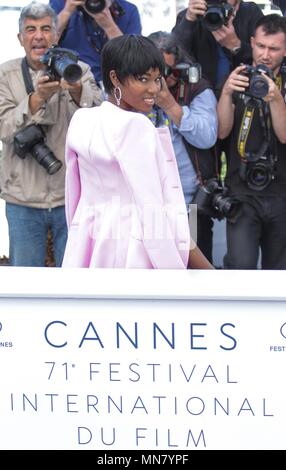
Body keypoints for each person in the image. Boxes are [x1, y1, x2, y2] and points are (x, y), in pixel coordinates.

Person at [62, 34, 213, 269]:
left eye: (157, 79)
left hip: (88, 245)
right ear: (115, 78)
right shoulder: (136, 126)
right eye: (143, 79)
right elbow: (154, 214)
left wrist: (78, 237)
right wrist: (192, 272)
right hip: (132, 250)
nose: (154, 89)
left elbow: (73, 196)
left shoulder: (82, 118)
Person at [0, 1, 103, 267]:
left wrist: (77, 90)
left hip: (72, 198)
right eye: (31, 29)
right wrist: (36, 100)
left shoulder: (78, 70)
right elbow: (3, 127)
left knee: (74, 284)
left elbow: (100, 119)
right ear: (20, 38)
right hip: (23, 198)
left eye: (46, 29)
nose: (39, 36)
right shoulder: (5, 75)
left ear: (56, 35)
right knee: (25, 284)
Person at [217, 14, 286, 269]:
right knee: (240, 268)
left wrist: (277, 98)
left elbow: (284, 136)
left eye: (274, 48)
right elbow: (222, 132)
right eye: (260, 46)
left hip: (281, 192)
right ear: (251, 42)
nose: (265, 55)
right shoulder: (238, 78)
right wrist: (226, 93)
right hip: (242, 190)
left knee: (279, 276)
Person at [148, 31, 218, 263]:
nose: (160, 80)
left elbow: (207, 137)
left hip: (190, 206)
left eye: (166, 71)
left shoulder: (197, 88)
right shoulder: (134, 92)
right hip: (148, 206)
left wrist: (170, 105)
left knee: (197, 278)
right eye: (152, 72)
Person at [172, 0, 263, 91]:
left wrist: (236, 45)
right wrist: (188, 21)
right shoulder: (193, 15)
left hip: (240, 91)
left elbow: (264, 59)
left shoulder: (250, 13)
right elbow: (174, 55)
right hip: (200, 92)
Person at [49, 0, 142, 85]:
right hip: (75, 81)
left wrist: (109, 25)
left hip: (116, 84)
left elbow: (135, 61)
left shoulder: (128, 11)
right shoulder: (61, 4)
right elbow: (45, 47)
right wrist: (67, 11)